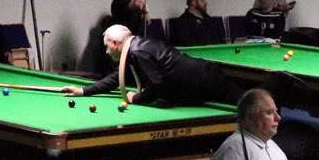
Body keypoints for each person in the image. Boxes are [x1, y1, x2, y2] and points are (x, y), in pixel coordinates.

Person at [62, 24, 241, 107]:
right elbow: (117, 78)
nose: (107, 52)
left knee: (244, 103)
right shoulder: (133, 47)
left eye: (107, 47)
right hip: (196, 83)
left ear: (116, 43)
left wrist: (136, 98)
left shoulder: (137, 51)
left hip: (206, 79)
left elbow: (157, 85)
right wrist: (83, 91)